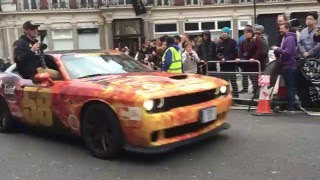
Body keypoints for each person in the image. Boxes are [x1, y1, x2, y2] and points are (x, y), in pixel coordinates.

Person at [274, 22, 297, 111]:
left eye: (282, 28)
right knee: (289, 86)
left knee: (290, 86)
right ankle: (290, 104)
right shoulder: (286, 38)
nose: (280, 30)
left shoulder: (289, 39)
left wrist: (277, 49)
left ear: (287, 28)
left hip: (289, 66)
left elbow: (288, 52)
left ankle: (291, 105)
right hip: (287, 65)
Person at [237, 27, 264, 93]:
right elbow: (241, 50)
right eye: (244, 33)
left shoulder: (257, 39)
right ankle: (250, 89)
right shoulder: (244, 40)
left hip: (254, 63)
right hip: (246, 63)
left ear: (251, 33)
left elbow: (260, 51)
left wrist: (254, 58)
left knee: (255, 78)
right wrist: (239, 58)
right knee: (248, 77)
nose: (245, 34)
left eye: (247, 33)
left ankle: (256, 91)